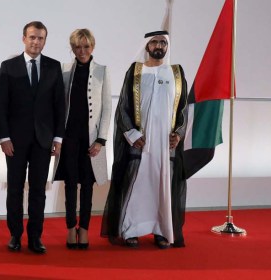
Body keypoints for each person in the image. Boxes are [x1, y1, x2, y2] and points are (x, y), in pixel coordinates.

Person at [101, 30, 188, 249]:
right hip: (141, 143)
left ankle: (162, 231)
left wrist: (178, 133)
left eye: (163, 42)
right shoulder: (136, 71)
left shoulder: (176, 72)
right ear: (147, 46)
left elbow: (184, 109)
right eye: (154, 42)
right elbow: (123, 107)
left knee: (162, 187)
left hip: (165, 146)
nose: (159, 45)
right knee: (137, 186)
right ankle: (132, 229)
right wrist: (132, 134)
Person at [0, 21, 65, 254]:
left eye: (41, 38)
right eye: (32, 37)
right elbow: (1, 105)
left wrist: (58, 138)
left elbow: (59, 106)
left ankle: (35, 237)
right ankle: (15, 235)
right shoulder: (8, 66)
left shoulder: (54, 67)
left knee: (38, 191)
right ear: (24, 38)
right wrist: (3, 137)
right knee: (14, 189)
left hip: (43, 141)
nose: (36, 42)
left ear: (45, 40)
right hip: (14, 141)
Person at [53, 29, 111, 250]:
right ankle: (70, 228)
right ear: (72, 48)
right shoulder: (64, 70)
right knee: (70, 185)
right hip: (69, 138)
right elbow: (58, 106)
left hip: (92, 141)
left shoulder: (102, 72)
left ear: (92, 47)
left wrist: (101, 140)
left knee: (87, 185)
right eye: (78, 47)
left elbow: (107, 108)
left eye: (86, 46)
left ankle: (84, 229)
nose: (82, 51)